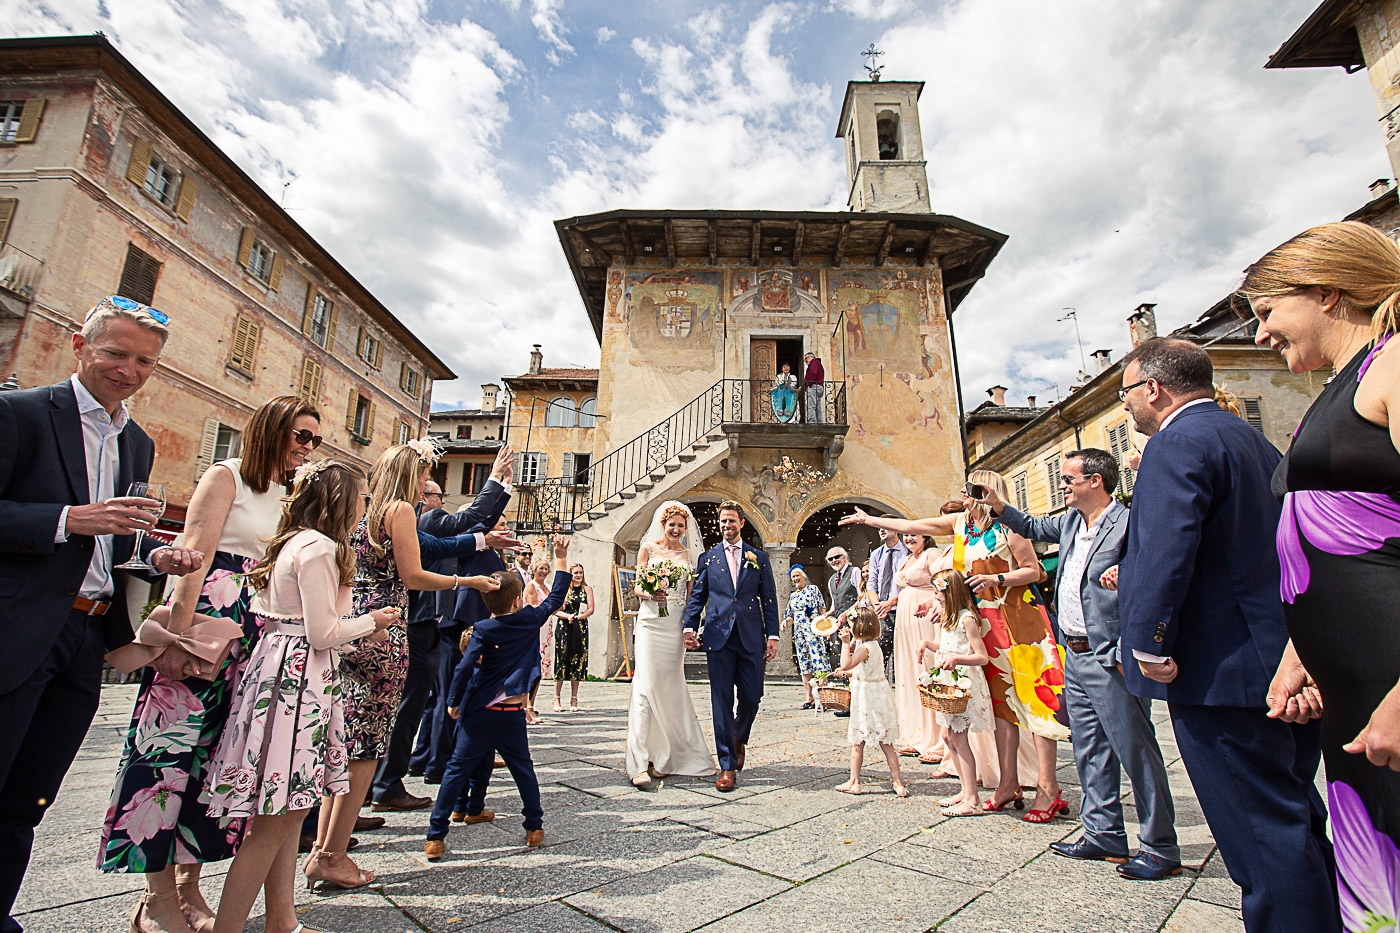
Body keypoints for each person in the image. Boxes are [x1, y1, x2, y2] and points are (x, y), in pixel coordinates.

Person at [0, 296, 205, 933]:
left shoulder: (136, 443)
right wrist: (68, 520)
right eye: (116, 353)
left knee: (29, 799)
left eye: (145, 361)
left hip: (86, 633)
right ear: (79, 345)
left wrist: (155, 553)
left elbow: (114, 540)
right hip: (17, 626)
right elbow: (71, 523)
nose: (129, 370)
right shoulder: (20, 414)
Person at [1118, 337, 1338, 929]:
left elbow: (1164, 552)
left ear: (1154, 389)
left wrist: (1148, 643)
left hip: (1221, 671)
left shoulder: (1176, 443)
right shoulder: (1253, 441)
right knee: (1293, 816)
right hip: (1276, 659)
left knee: (1259, 839)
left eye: (1126, 394)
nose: (1127, 409)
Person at [99, 395, 319, 933]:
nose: (306, 448)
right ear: (271, 429)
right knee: (167, 752)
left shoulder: (289, 493)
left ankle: (188, 886)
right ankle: (156, 899)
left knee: (217, 760)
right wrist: (175, 635)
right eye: (300, 436)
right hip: (206, 619)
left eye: (314, 439)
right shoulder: (226, 476)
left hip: (255, 634)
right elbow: (193, 554)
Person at [1241, 224, 1400, 933]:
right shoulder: (1341, 383)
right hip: (1354, 693)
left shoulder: (1394, 365)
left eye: (1269, 311)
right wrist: (1298, 654)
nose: (1261, 334)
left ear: (1328, 292)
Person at [201, 460, 396, 933]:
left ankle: (281, 920)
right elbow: (323, 631)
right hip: (298, 682)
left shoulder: (294, 542)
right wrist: (375, 621)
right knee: (275, 820)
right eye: (362, 499)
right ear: (341, 502)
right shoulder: (319, 548)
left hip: (282, 668)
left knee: (289, 809)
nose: (366, 508)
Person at [305, 442, 498, 892]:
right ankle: (332, 855)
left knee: (345, 739)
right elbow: (413, 575)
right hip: (387, 628)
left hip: (353, 623)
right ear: (411, 475)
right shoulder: (400, 512)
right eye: (424, 475)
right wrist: (465, 579)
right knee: (368, 744)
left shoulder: (364, 513)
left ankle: (322, 846)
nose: (427, 485)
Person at [978, 450, 1178, 877]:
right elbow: (1030, 527)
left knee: (1135, 751)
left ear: (1096, 482)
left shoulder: (1127, 522)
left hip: (1110, 654)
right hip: (1075, 652)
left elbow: (1154, 570)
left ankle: (1160, 846)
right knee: (1089, 749)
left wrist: (1132, 635)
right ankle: (1103, 833)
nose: (1062, 486)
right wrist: (998, 505)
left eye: (1069, 479)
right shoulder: (1070, 522)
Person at [841, 478, 1065, 819]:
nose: (966, 496)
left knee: (1036, 706)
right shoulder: (961, 524)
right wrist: (871, 520)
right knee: (1003, 709)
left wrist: (997, 580)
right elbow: (914, 524)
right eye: (966, 491)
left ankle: (1049, 790)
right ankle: (1008, 784)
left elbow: (1035, 571)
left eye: (973, 490)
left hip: (1021, 624)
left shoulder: (1011, 524)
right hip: (985, 625)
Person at [370, 449, 516, 814]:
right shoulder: (412, 514)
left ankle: (388, 778)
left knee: (411, 702)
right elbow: (464, 523)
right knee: (407, 703)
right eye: (425, 481)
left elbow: (451, 540)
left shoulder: (396, 514)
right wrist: (495, 479)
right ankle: (386, 782)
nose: (428, 490)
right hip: (406, 620)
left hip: (405, 619)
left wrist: (485, 539)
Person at [425, 534, 573, 857]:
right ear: (518, 600)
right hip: (510, 714)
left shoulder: (482, 629)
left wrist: (453, 702)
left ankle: (436, 836)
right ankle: (534, 827)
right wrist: (560, 557)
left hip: (478, 712)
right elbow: (556, 597)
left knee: (456, 770)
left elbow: (464, 669)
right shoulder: (528, 619)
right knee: (523, 770)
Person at [682, 501, 779, 792]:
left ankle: (738, 737)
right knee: (721, 700)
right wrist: (689, 626)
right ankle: (726, 765)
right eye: (723, 521)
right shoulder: (708, 558)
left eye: (732, 521)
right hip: (718, 636)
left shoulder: (758, 557)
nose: (727, 525)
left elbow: (770, 598)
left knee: (752, 697)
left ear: (741, 523)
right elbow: (698, 596)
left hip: (750, 636)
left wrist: (772, 635)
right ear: (719, 524)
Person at [417, 514, 516, 783]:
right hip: (463, 623)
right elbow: (482, 517)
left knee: (442, 695)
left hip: (464, 621)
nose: (505, 529)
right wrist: (501, 480)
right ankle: (439, 763)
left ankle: (422, 758)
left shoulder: (491, 552)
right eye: (500, 524)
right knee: (452, 695)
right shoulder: (474, 544)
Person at [626, 502, 717, 787]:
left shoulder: (689, 555)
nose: (676, 530)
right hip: (651, 622)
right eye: (672, 525)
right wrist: (651, 593)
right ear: (662, 525)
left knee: (669, 688)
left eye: (681, 525)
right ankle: (638, 764)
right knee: (645, 687)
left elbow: (692, 599)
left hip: (674, 625)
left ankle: (664, 758)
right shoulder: (648, 550)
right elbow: (638, 585)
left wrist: (690, 627)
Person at [916, 569, 992, 816]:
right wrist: (928, 644)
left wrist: (958, 659)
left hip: (962, 684)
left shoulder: (966, 618)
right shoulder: (949, 618)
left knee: (959, 738)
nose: (936, 602)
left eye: (939, 597)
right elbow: (946, 647)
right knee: (948, 738)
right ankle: (964, 789)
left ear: (952, 594)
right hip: (948, 682)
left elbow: (982, 657)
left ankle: (972, 800)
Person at [833, 606, 908, 798]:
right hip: (879, 695)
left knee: (858, 741)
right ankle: (898, 782)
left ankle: (854, 781)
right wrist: (848, 673)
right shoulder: (874, 646)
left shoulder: (864, 648)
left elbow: (847, 663)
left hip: (866, 699)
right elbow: (863, 669)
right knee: (887, 742)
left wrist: (844, 644)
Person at [784, 565, 829, 709]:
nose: (796, 579)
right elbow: (790, 616)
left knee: (819, 662)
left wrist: (827, 628)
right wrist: (785, 622)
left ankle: (823, 697)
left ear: (803, 576)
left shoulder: (813, 589)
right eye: (793, 577)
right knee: (804, 664)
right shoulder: (793, 596)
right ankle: (809, 697)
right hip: (800, 634)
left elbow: (822, 609)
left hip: (814, 630)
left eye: (798, 575)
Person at [868, 529, 908, 683]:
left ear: (897, 530)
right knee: (878, 656)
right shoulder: (876, 554)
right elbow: (872, 583)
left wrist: (891, 602)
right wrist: (877, 605)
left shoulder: (907, 552)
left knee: (903, 656)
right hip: (881, 613)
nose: (882, 530)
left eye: (886, 526)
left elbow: (910, 585)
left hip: (902, 609)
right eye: (880, 528)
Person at [552, 563, 593, 712]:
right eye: (575, 573)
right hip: (564, 626)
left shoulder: (587, 589)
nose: (578, 575)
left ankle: (574, 699)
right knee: (561, 660)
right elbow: (554, 610)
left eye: (580, 573)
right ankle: (556, 698)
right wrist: (567, 616)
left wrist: (578, 618)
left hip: (580, 627)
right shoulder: (564, 590)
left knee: (577, 660)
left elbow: (591, 609)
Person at [524, 557, 552, 724]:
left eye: (546, 569)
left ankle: (531, 705)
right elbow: (533, 606)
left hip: (546, 629)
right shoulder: (531, 586)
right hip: (536, 628)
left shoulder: (546, 587)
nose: (543, 572)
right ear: (534, 569)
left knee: (540, 670)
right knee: (533, 670)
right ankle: (527, 707)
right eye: (540, 568)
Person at [803, 352, 824, 423]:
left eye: (806, 358)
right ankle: (820, 422)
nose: (805, 360)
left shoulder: (814, 362)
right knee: (818, 407)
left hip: (814, 386)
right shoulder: (818, 363)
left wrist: (809, 383)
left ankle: (811, 422)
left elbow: (813, 373)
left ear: (811, 357)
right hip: (819, 387)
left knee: (811, 405)